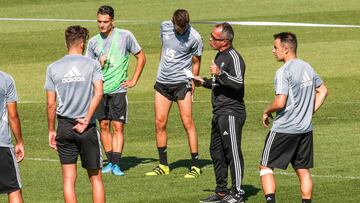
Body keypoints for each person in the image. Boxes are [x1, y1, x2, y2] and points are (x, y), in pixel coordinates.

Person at [259, 32, 328, 203]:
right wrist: (308, 112)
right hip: (305, 129)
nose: (273, 51)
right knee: (303, 170)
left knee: (265, 166)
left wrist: (267, 110)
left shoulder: (283, 71)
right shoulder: (307, 67)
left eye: (275, 47)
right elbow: (323, 91)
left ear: (286, 49)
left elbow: (280, 102)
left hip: (284, 128)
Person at [45, 25, 105, 203]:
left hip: (64, 127)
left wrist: (51, 130)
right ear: (82, 44)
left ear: (67, 44)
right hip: (86, 128)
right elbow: (99, 93)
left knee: (69, 180)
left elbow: (50, 104)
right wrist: (86, 120)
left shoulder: (53, 68)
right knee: (95, 178)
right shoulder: (92, 64)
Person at [86, 5, 146, 176]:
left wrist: (134, 80)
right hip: (99, 91)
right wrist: (99, 63)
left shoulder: (125, 36)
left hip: (118, 89)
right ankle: (110, 162)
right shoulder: (93, 42)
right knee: (104, 125)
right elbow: (87, 68)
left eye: (105, 22)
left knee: (118, 127)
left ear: (112, 21)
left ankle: (116, 164)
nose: (101, 25)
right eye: (99, 21)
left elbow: (141, 57)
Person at [145, 9, 203, 178]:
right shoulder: (165, 27)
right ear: (173, 22)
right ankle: (163, 165)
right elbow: (164, 48)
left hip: (181, 84)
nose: (181, 31)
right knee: (159, 123)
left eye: (183, 28)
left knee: (187, 123)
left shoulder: (195, 37)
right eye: (178, 28)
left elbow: (196, 61)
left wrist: (193, 82)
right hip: (162, 83)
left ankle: (196, 165)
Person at [196, 23, 246, 203]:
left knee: (232, 152)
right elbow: (221, 83)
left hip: (231, 112)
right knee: (216, 152)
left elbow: (239, 83)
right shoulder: (219, 56)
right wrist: (205, 82)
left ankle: (238, 193)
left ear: (225, 41)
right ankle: (222, 191)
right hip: (218, 112)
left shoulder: (234, 57)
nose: (210, 40)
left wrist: (221, 73)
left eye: (213, 38)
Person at [0, 71, 24, 203]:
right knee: (13, 189)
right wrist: (19, 142)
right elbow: (13, 115)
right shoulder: (5, 79)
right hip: (2, 144)